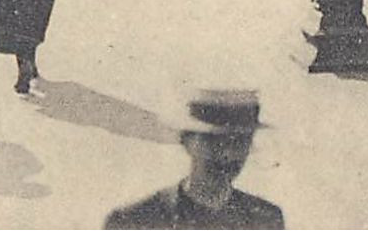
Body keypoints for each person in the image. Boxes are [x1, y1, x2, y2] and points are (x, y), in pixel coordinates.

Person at [104, 89, 284, 230]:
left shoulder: (265, 220)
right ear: (186, 140)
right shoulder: (135, 221)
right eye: (214, 141)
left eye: (239, 141)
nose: (227, 154)